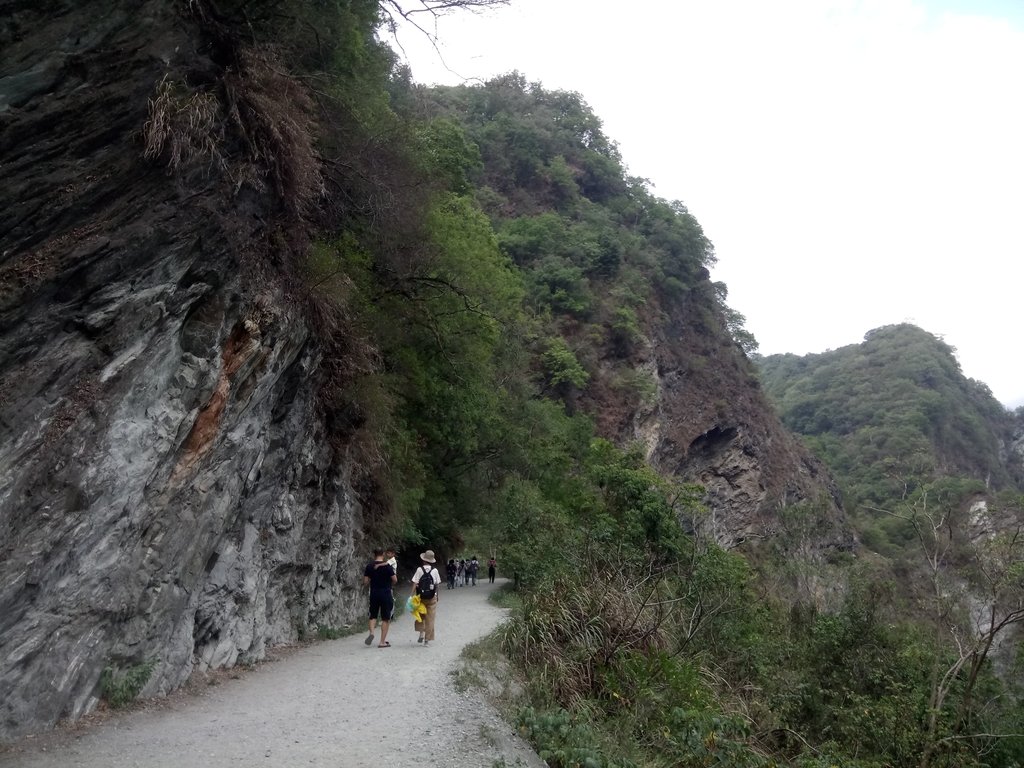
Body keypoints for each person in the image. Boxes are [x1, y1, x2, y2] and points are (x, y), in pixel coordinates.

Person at [363, 548, 397, 647]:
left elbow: (365, 582)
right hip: (386, 593)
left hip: (374, 593)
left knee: (372, 615)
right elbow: (395, 580)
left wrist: (371, 579)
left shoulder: (369, 566)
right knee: (386, 618)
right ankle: (382, 642)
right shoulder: (388, 566)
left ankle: (372, 633)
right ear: (383, 554)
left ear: (374, 554)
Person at [410, 550, 442, 646]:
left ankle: (421, 633)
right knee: (430, 618)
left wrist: (411, 595)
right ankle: (427, 640)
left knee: (420, 616)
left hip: (421, 598)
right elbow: (437, 585)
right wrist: (437, 596)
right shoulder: (435, 571)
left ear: (423, 560)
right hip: (432, 597)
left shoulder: (419, 570)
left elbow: (415, 583)